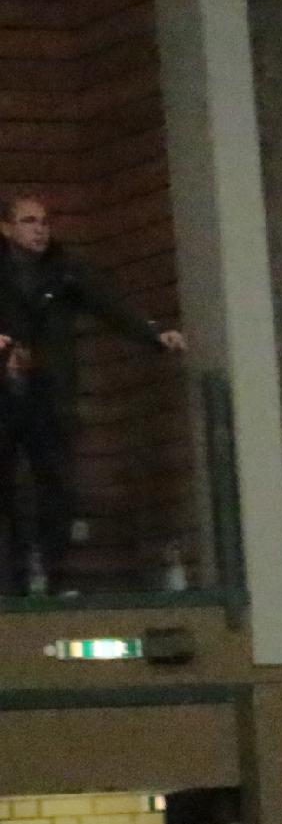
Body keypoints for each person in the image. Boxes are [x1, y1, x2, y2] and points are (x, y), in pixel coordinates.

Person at [0, 192, 185, 591]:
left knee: (56, 487)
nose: (40, 230)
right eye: (30, 221)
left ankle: (54, 574)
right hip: (5, 394)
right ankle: (9, 581)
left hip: (49, 393)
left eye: (44, 222)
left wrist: (153, 334)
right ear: (7, 228)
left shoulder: (65, 270)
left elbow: (110, 305)